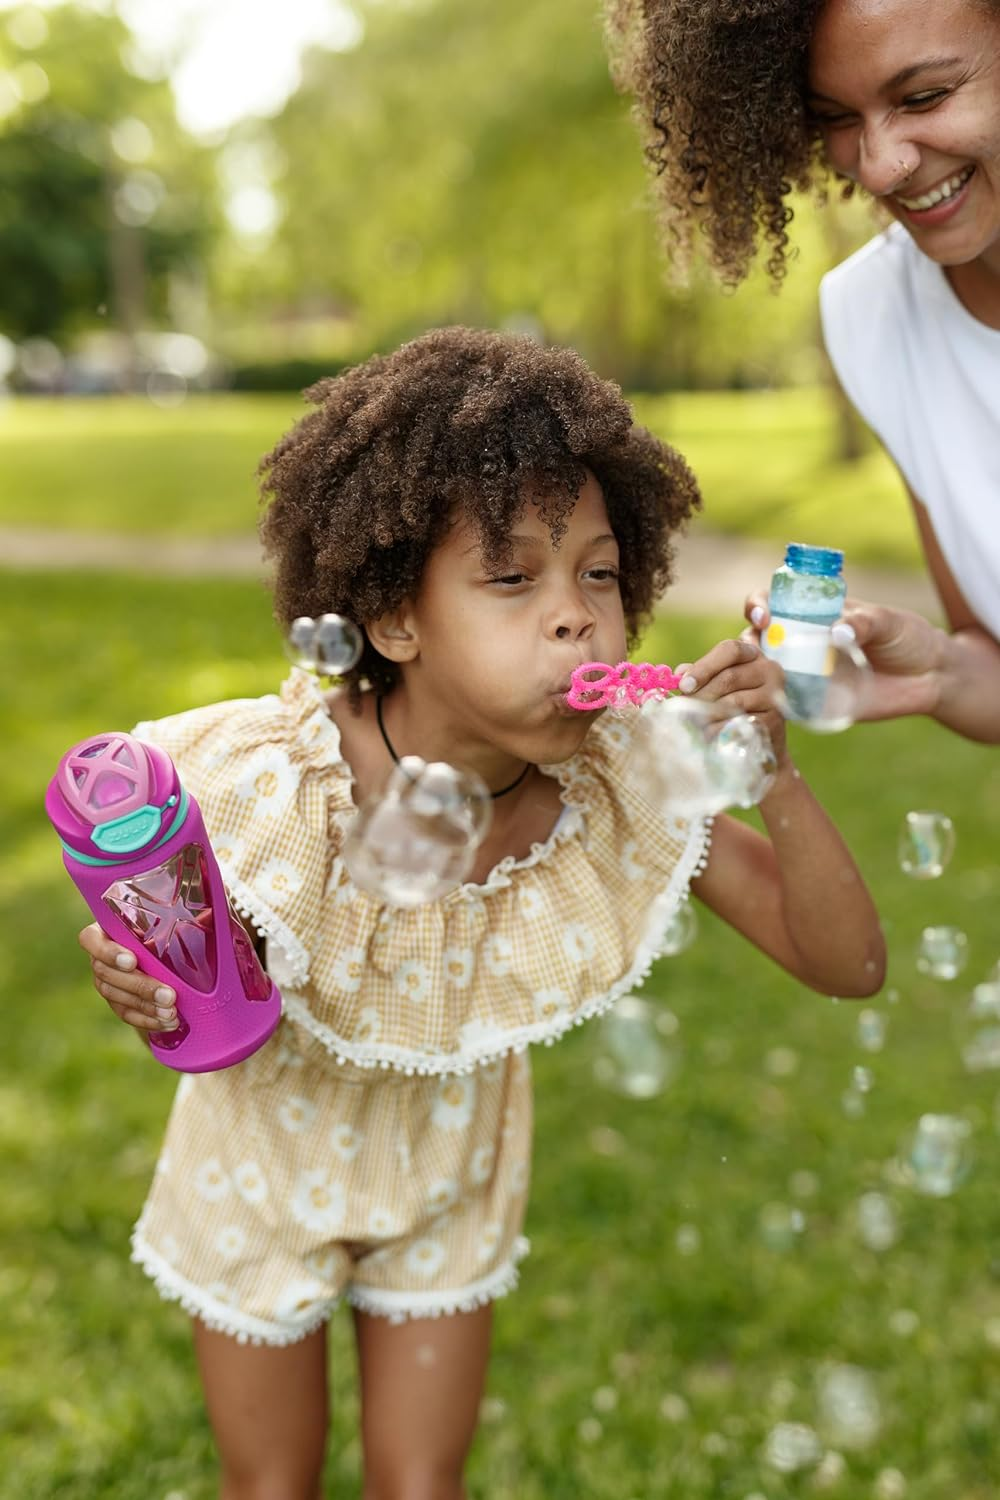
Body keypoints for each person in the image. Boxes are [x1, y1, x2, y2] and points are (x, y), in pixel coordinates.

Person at [78, 326, 884, 1499]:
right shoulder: (270, 779)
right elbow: (140, 900)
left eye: (598, 574)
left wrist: (771, 770)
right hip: (257, 1162)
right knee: (272, 1486)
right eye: (512, 578)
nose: (574, 617)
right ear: (395, 619)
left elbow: (844, 961)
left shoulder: (624, 773)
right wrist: (132, 968)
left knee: (422, 1486)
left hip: (448, 1174)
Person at [606, 0, 1000, 742]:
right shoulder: (871, 316)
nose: (880, 164)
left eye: (925, 96)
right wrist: (940, 669)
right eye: (835, 117)